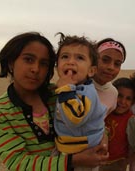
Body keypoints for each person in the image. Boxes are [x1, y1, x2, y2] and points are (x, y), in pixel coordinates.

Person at [0, 32, 108, 171]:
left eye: (44, 63)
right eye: (28, 59)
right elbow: (17, 163)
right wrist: (72, 161)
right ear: (11, 62)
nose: (35, 69)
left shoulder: (60, 94)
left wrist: (103, 139)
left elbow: (93, 117)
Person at [53, 32, 107, 171]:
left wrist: (65, 90)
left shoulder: (86, 92)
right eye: (65, 56)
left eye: (80, 58)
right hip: (69, 147)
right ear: (57, 66)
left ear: (91, 71)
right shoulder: (72, 89)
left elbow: (75, 118)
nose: (70, 62)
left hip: (84, 150)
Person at [99, 77, 135, 171]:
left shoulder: (130, 119)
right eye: (119, 96)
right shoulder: (104, 110)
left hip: (116, 165)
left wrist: (127, 161)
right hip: (96, 163)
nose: (123, 102)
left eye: (128, 99)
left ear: (132, 102)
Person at [93, 38, 126, 115]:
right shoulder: (78, 84)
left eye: (117, 64)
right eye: (105, 60)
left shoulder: (113, 93)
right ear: (94, 59)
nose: (111, 67)